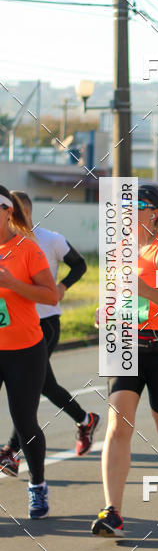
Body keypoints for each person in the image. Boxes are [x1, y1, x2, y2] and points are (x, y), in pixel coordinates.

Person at [91, 185, 158, 536]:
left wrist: (147, 291)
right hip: (124, 345)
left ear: (153, 213)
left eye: (135, 205)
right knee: (117, 425)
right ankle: (112, 510)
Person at [0, 192, 98, 478]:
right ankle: (84, 418)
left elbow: (79, 265)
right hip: (10, 328)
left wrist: (63, 287)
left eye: (23, 212)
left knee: (37, 388)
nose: (22, 219)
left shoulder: (48, 240)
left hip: (43, 325)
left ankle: (13, 451)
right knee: (44, 386)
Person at [0, 185, 58, 517]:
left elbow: (50, 297)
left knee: (24, 421)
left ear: (8, 211)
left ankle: (37, 485)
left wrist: (12, 283)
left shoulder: (27, 249)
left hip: (24, 350)